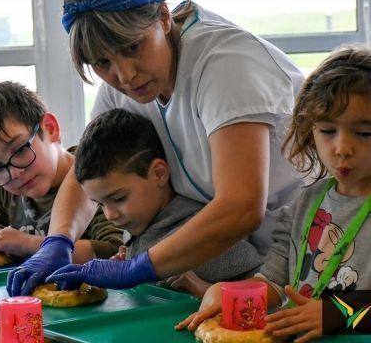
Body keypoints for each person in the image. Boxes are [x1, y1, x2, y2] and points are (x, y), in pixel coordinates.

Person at [7, 0, 304, 296]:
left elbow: (241, 206)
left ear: (163, 18)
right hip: (255, 258)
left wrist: (141, 266)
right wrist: (58, 240)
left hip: (321, 244)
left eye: (133, 47)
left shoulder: (224, 65)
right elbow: (85, 169)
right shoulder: (124, 86)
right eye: (103, 63)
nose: (125, 75)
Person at [175, 46, 371, 342]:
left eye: (364, 133)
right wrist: (230, 293)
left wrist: (336, 313)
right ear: (310, 130)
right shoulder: (305, 204)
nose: (342, 148)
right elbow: (274, 282)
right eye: (328, 131)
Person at [65, 108, 265, 297]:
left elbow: (262, 287)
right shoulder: (141, 223)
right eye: (99, 204)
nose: (110, 215)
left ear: (158, 173)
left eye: (118, 198)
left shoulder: (199, 231)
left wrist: (207, 290)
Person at [0, 82, 122, 262]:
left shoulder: (96, 178)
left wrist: (28, 244)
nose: (14, 173)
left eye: (19, 150)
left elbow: (114, 250)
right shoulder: (6, 190)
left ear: (50, 128)